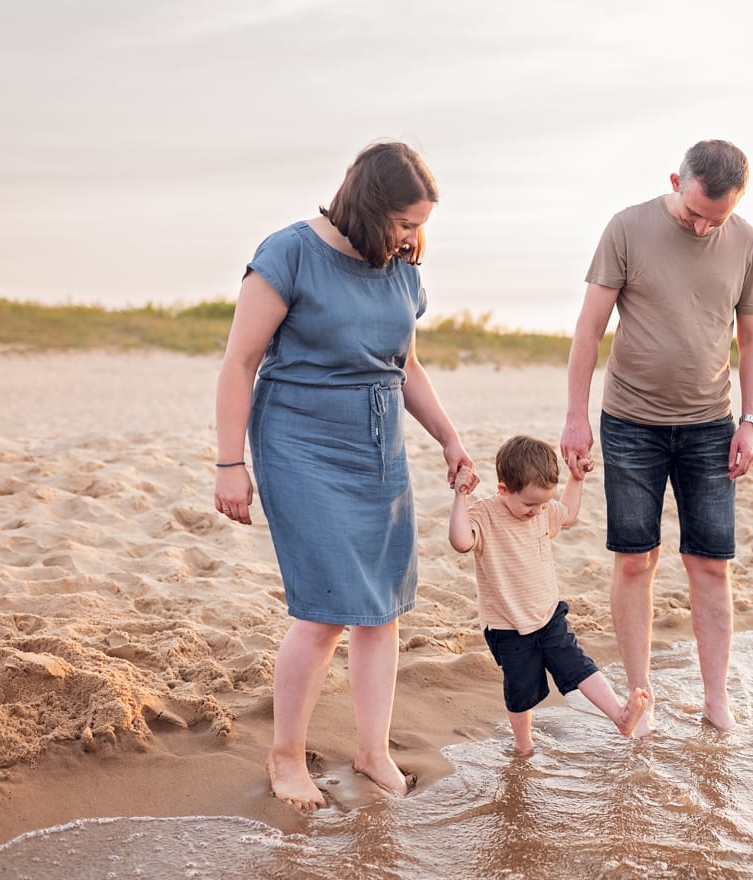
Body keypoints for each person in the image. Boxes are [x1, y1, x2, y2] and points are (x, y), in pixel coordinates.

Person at [213, 140, 478, 812]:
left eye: (421, 224)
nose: (415, 237)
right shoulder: (289, 253)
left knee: (380, 613)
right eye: (406, 222)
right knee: (325, 612)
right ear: (369, 206)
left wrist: (447, 435)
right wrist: (229, 463)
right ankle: (285, 757)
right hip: (299, 442)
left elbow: (405, 365)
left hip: (379, 447)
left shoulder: (400, 269)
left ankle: (372, 749)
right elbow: (240, 362)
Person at [559, 139, 753, 735]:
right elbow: (589, 329)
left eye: (718, 217)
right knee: (635, 561)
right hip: (630, 422)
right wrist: (576, 416)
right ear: (676, 182)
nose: (704, 226)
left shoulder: (747, 241)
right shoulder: (627, 228)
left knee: (710, 566)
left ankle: (717, 704)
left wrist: (750, 421)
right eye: (694, 212)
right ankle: (639, 700)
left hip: (712, 425)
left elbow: (752, 340)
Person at [448, 435, 649, 755]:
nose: (538, 511)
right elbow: (460, 541)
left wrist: (576, 478)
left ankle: (620, 716)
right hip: (507, 624)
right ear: (503, 490)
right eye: (530, 505)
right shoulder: (484, 515)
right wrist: (460, 497)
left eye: (543, 504)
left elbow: (567, 513)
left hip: (547, 613)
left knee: (578, 665)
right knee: (520, 687)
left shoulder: (542, 511)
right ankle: (523, 743)